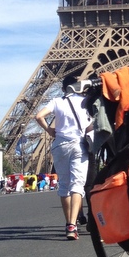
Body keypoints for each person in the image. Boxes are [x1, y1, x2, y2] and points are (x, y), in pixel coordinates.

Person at [36, 75, 92, 240]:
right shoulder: (84, 102)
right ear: (78, 87)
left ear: (63, 89)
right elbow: (90, 126)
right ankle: (72, 226)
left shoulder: (57, 101)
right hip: (78, 145)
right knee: (77, 185)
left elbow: (39, 116)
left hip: (59, 145)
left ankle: (68, 222)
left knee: (64, 185)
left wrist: (50, 130)